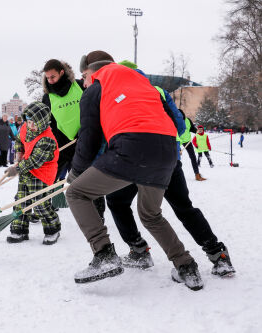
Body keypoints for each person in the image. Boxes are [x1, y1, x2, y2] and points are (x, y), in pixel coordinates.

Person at [66, 51, 202, 290]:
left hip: (132, 148)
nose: (83, 83)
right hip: (167, 151)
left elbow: (89, 140)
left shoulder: (96, 88)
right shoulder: (140, 81)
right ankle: (186, 265)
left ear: (91, 71)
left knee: (76, 193)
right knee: (151, 214)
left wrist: (76, 174)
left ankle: (104, 254)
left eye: (84, 77)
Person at [105, 60, 235, 277]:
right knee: (183, 207)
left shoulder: (119, 95)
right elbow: (181, 126)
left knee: (117, 201)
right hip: (167, 157)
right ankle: (218, 255)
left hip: (134, 160)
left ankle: (138, 250)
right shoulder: (158, 92)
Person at [41, 58, 106, 219]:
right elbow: (50, 124)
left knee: (89, 180)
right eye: (47, 78)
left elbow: (95, 109)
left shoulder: (80, 85)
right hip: (62, 145)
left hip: (84, 142)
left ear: (62, 73)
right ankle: (44, 209)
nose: (50, 81)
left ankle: (98, 214)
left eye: (53, 77)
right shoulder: (47, 97)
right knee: (50, 178)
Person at [5, 102, 61, 245]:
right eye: (29, 122)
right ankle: (19, 230)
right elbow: (19, 139)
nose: (30, 126)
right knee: (20, 201)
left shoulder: (47, 139)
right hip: (26, 171)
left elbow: (34, 162)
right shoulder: (25, 127)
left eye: (34, 124)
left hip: (41, 173)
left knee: (40, 204)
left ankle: (52, 229)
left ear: (43, 123)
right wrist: (19, 153)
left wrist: (16, 169)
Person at [178, 109, 205, 181]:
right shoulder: (175, 121)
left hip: (187, 141)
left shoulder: (187, 120)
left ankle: (197, 175)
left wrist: (197, 131)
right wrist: (179, 149)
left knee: (193, 157)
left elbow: (192, 128)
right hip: (177, 141)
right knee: (177, 159)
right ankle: (174, 177)